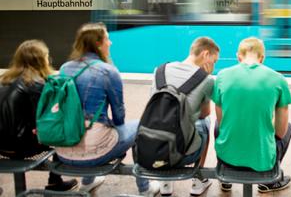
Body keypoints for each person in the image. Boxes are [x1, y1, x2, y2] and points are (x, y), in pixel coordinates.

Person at [54, 23, 160, 196]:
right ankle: (145, 188)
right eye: (107, 39)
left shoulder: (65, 68)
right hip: (95, 152)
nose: (110, 43)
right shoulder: (108, 71)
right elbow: (119, 115)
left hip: (63, 151)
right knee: (141, 127)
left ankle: (87, 183)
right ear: (97, 44)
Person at [212, 37, 291, 193]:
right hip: (263, 162)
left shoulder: (222, 76)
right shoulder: (278, 79)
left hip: (227, 158)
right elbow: (280, 132)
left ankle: (226, 180)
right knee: (288, 128)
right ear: (262, 58)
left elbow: (222, 123)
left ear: (238, 56)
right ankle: (268, 182)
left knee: (217, 125)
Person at [0, 40, 78, 191]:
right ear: (42, 59)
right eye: (47, 56)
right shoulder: (38, 84)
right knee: (59, 131)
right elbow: (46, 120)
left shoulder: (5, 80)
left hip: (1, 146)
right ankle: (55, 182)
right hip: (21, 146)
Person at [152, 37, 219, 196]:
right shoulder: (206, 79)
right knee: (204, 122)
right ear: (205, 54)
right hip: (183, 153)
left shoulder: (159, 70)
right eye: (214, 60)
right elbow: (204, 114)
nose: (214, 65)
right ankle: (198, 180)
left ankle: (165, 183)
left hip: (152, 148)